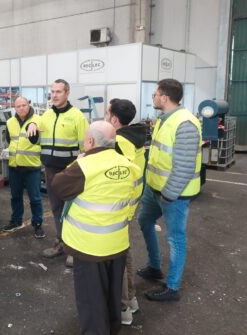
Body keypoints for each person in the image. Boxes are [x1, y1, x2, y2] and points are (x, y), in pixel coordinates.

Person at [52, 121, 140, 335]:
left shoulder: (83, 167)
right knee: (112, 293)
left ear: (90, 141)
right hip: (117, 243)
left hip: (88, 245)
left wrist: (75, 162)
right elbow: (133, 201)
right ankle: (112, 328)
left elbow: (57, 186)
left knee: (91, 300)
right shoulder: (130, 166)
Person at [137, 79, 202, 301]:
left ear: (164, 97)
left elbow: (184, 167)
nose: (153, 97)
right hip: (154, 189)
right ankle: (154, 267)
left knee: (176, 239)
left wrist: (169, 194)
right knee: (145, 221)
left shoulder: (185, 123)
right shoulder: (164, 119)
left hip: (173, 195)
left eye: (155, 94)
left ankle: (172, 287)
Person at [30, 79, 88, 266]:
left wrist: (78, 169)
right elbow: (36, 141)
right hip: (51, 170)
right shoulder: (45, 115)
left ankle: (74, 248)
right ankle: (62, 243)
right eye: (52, 91)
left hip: (70, 172)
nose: (54, 95)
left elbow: (86, 147)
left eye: (58, 92)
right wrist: (32, 127)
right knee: (56, 209)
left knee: (73, 210)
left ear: (67, 94)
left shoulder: (77, 116)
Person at [105, 98, 146, 325]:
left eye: (107, 113)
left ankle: (123, 307)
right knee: (125, 252)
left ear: (114, 119)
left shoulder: (119, 142)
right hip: (131, 203)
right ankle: (131, 299)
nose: (104, 116)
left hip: (121, 206)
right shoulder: (135, 136)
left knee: (118, 256)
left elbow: (117, 176)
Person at [3, 97, 45, 239]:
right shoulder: (9, 122)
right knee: (15, 196)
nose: (21, 108)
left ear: (28, 105)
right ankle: (16, 220)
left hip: (32, 166)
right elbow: (9, 140)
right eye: (18, 106)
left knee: (35, 198)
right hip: (15, 166)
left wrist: (33, 124)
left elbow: (42, 139)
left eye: (24, 105)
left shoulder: (38, 120)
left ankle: (37, 224)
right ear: (15, 108)